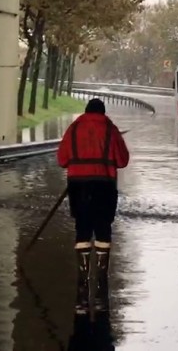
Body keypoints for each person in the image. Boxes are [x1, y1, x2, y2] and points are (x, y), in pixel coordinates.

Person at [57, 98, 130, 315]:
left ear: (86, 111)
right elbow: (123, 160)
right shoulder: (111, 129)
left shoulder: (74, 128)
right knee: (103, 228)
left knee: (82, 227)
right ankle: (101, 275)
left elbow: (62, 159)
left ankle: (82, 274)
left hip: (78, 185)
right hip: (104, 184)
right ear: (103, 112)